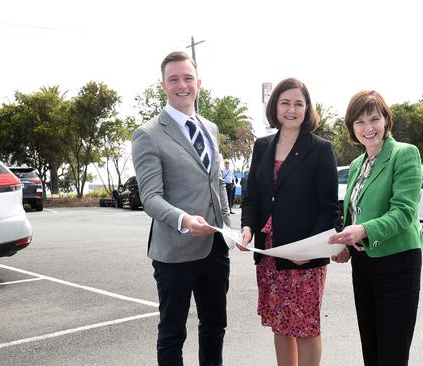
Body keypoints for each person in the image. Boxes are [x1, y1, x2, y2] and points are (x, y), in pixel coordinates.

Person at [131, 51, 232, 366]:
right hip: (174, 253)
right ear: (163, 85)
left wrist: (229, 229)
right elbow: (151, 197)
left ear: (198, 83)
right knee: (173, 334)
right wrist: (184, 219)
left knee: (215, 326)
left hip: (215, 248)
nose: (182, 85)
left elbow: (217, 184)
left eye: (188, 78)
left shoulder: (210, 128)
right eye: (173, 79)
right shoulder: (148, 135)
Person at [240, 77, 339, 366]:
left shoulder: (320, 149)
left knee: (306, 327)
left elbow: (328, 209)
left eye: (299, 103)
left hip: (304, 255)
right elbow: (252, 198)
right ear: (276, 107)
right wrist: (247, 228)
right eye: (285, 102)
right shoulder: (262, 146)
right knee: (281, 324)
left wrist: (306, 250)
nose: (291, 109)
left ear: (307, 109)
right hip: (270, 253)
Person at [329, 90, 423, 366]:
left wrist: (363, 231)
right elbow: (355, 212)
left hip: (397, 264)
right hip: (364, 264)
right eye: (360, 122)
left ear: (385, 120)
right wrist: (348, 244)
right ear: (352, 127)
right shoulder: (358, 164)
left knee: (392, 353)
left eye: (373, 119)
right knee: (371, 348)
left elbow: (404, 212)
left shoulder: (404, 154)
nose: (368, 128)